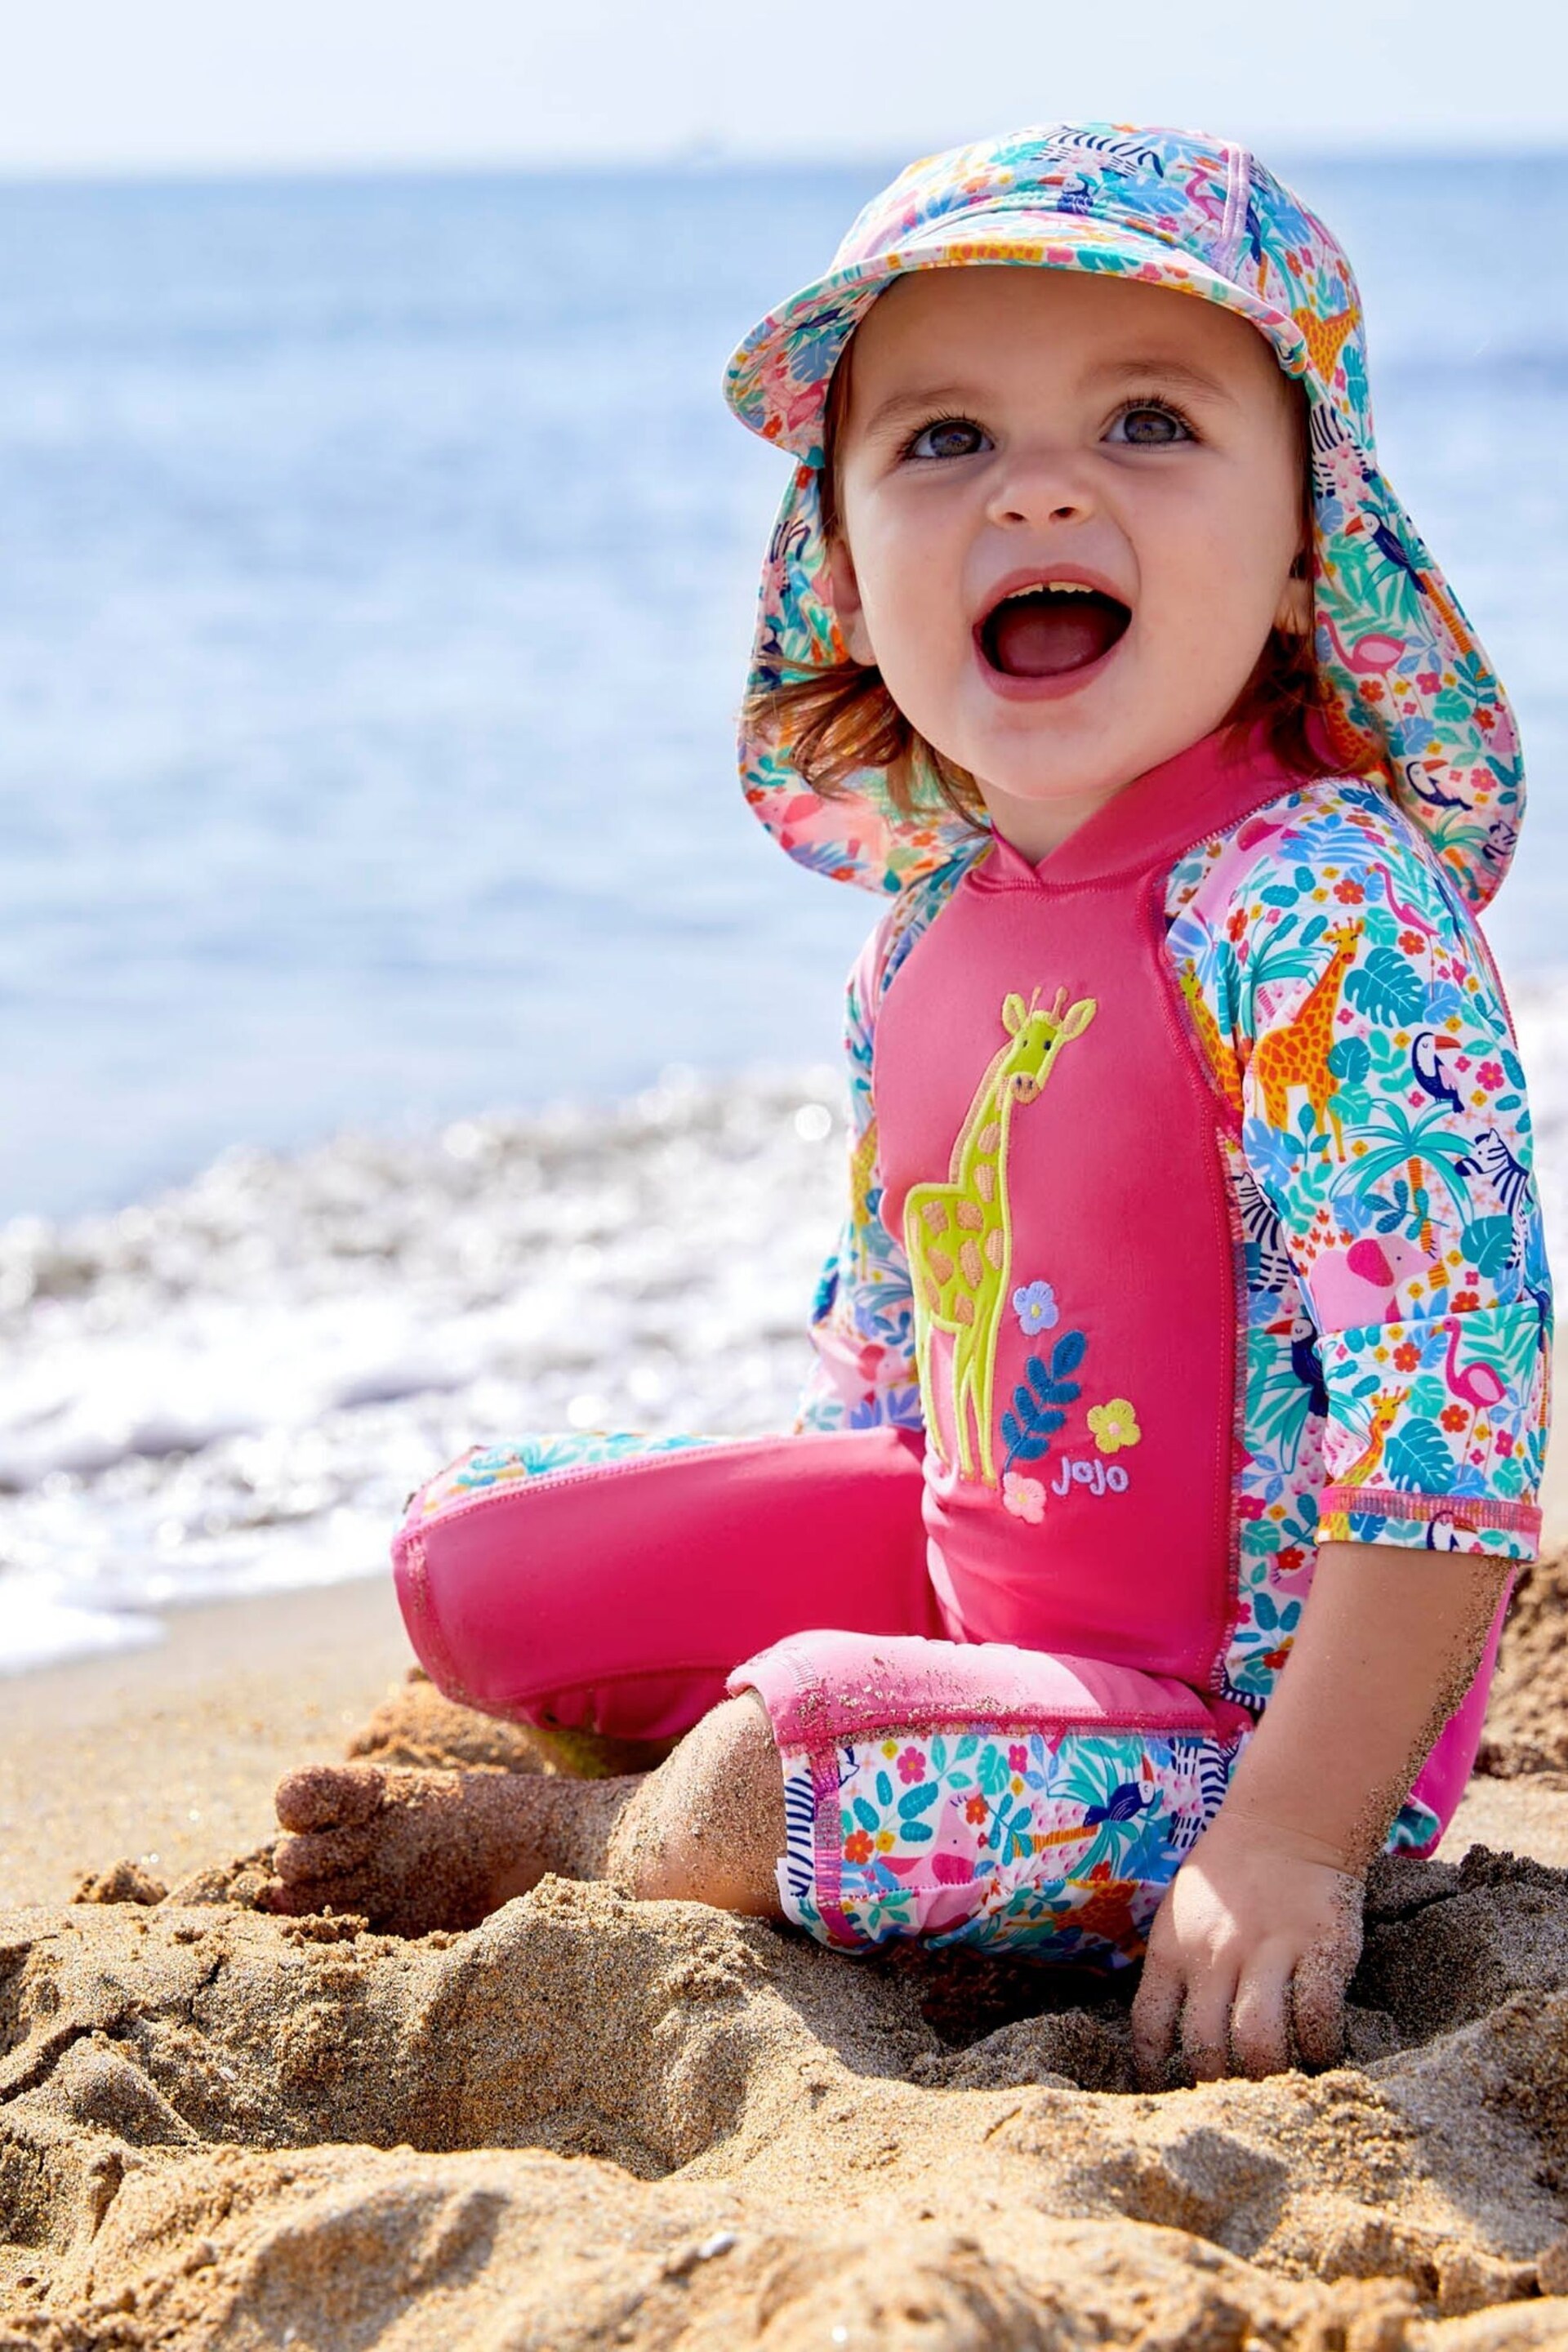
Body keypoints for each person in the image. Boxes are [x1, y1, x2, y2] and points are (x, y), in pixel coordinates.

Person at [264, 124, 1553, 2086]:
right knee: (475, 1554)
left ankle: (612, 1837)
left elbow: (1455, 1428)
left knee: (778, 1759)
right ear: (846, 573)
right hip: (974, 1566)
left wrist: (1289, 1841)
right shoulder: (923, 931)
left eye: (1148, 420)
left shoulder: (1313, 909)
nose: (1040, 482)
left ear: (1311, 547)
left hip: (1238, 1722)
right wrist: (799, 1575)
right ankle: (827, 1728)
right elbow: (891, 1363)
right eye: (943, 441)